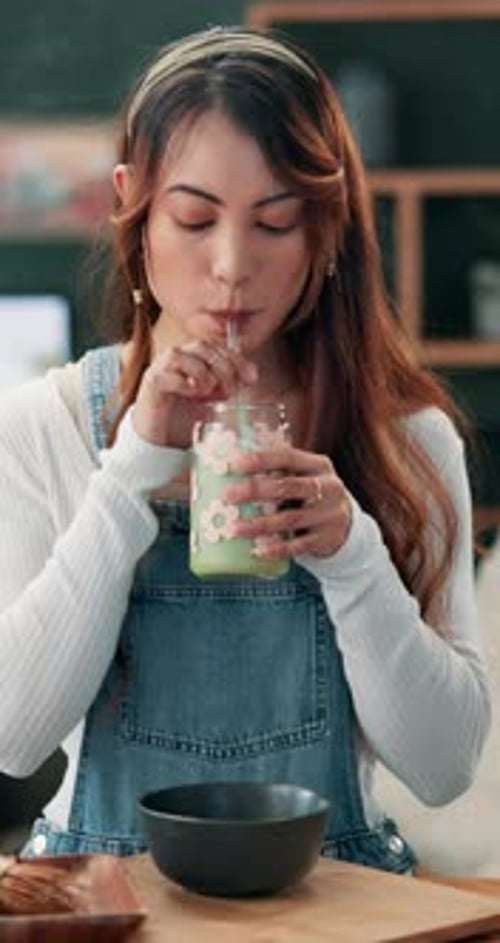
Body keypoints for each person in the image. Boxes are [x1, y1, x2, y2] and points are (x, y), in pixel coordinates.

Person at [0, 26, 491, 872]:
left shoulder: (406, 437)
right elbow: (15, 735)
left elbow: (444, 768)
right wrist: (131, 470)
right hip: (110, 901)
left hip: (339, 900)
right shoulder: (45, 425)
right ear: (133, 208)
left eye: (276, 222)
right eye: (194, 219)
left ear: (326, 230)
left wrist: (353, 555)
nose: (232, 265)